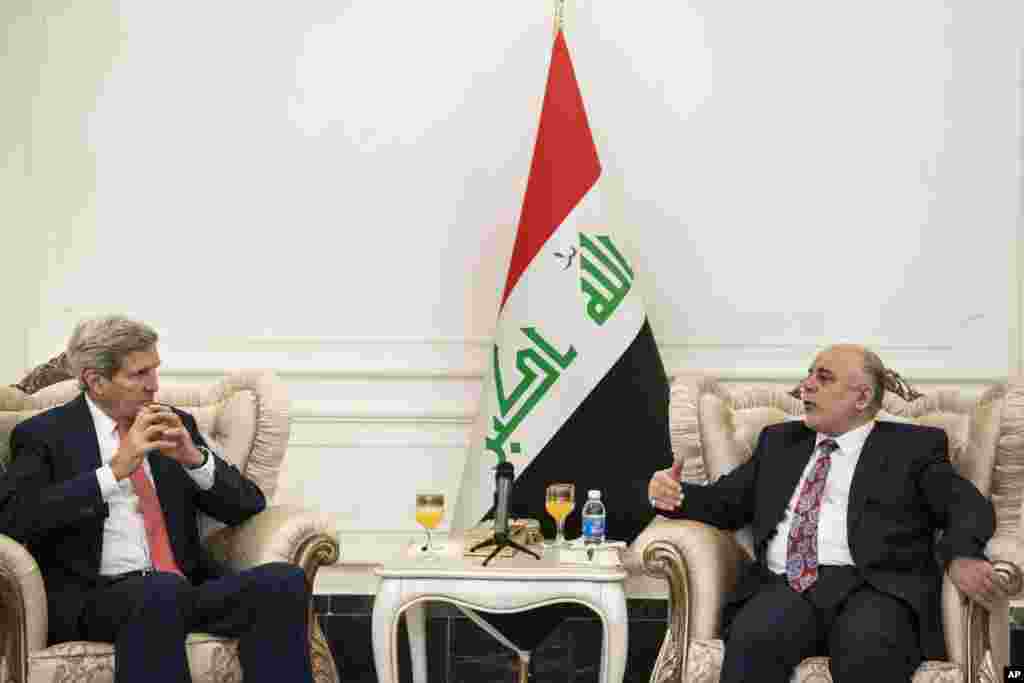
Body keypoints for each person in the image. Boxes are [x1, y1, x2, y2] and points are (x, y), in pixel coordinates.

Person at [648, 344, 1004, 683]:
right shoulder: (779, 442)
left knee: (870, 651)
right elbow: (726, 503)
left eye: (824, 377)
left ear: (862, 398)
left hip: (874, 589)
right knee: (754, 641)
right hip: (786, 585)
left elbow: (967, 506)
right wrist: (673, 495)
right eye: (809, 375)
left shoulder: (912, 447)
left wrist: (962, 554)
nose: (807, 385)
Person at [0, 315, 313, 683]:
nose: (154, 386)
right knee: (157, 592)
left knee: (283, 583)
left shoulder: (173, 424)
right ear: (95, 381)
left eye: (155, 370)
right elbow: (16, 518)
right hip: (94, 598)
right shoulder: (44, 435)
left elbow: (248, 507)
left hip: (181, 589)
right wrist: (113, 472)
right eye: (139, 374)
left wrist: (194, 459)